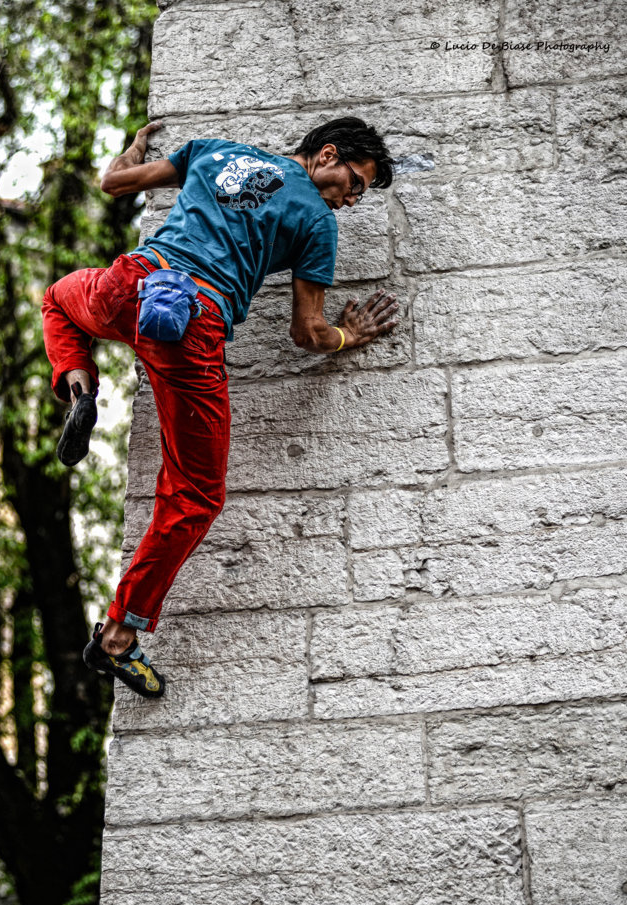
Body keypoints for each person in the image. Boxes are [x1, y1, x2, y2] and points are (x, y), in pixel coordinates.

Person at [42, 116, 400, 698]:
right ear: (326, 155)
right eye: (356, 182)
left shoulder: (215, 152)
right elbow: (306, 333)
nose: (354, 199)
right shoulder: (315, 219)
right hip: (188, 326)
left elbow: (114, 184)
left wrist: (132, 150)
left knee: (58, 299)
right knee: (194, 495)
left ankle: (80, 388)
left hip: (129, 285)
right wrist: (348, 337)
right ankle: (116, 638)